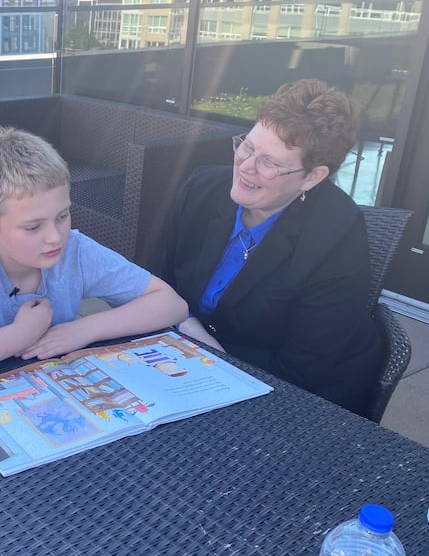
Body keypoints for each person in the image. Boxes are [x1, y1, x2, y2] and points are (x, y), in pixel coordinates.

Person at [0, 126, 188, 391]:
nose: (55, 237)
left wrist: (85, 328)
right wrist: (19, 335)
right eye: (33, 227)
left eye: (62, 216)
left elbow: (171, 304)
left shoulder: (75, 251)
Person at [162, 78, 382, 415]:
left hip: (302, 399)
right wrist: (186, 331)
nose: (246, 166)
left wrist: (197, 342)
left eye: (270, 162)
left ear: (312, 177)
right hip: (192, 359)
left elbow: (302, 369)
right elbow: (151, 283)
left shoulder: (336, 240)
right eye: (247, 146)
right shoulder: (201, 190)